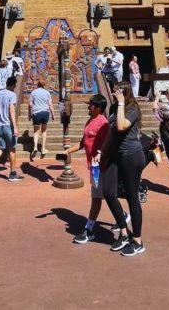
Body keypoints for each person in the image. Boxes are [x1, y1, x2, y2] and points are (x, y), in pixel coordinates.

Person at [100, 82, 146, 257]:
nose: (113, 94)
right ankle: (124, 231)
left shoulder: (132, 108)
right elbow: (112, 134)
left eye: (117, 92)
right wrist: (101, 152)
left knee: (132, 197)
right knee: (108, 192)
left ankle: (138, 240)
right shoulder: (114, 108)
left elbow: (121, 126)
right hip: (115, 155)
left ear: (124, 93)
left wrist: (120, 103)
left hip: (131, 156)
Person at [64, 94, 110, 244]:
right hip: (93, 167)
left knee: (97, 197)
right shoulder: (90, 121)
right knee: (104, 196)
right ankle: (122, 216)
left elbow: (108, 145)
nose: (87, 107)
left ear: (98, 108)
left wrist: (101, 156)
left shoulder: (103, 123)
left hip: (101, 168)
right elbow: (83, 142)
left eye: (90, 105)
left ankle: (88, 229)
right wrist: (67, 151)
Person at [0, 75, 23, 183]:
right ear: (13, 84)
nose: (16, 86)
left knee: (1, 148)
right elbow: (11, 111)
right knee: (12, 148)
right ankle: (12, 173)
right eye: (15, 84)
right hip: (7, 124)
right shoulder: (12, 95)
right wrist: (15, 127)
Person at [29, 80, 53, 160]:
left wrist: (30, 114)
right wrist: (53, 114)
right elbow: (50, 104)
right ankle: (43, 148)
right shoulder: (47, 93)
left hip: (36, 113)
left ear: (38, 84)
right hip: (45, 112)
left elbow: (30, 104)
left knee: (36, 131)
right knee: (44, 131)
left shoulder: (33, 92)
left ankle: (35, 147)